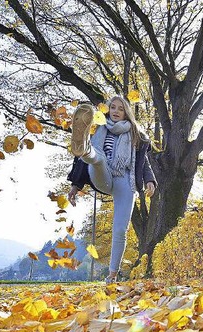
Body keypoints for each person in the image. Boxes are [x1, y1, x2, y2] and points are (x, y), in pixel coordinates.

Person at [67, 96, 157, 284]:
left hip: (126, 180)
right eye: (112, 108)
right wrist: (75, 186)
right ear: (107, 110)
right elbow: (81, 167)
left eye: (120, 109)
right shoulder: (99, 129)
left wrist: (150, 180)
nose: (115, 111)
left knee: (120, 229)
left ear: (126, 113)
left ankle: (112, 274)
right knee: (96, 158)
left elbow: (144, 161)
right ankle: (84, 148)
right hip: (104, 175)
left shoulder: (135, 134)